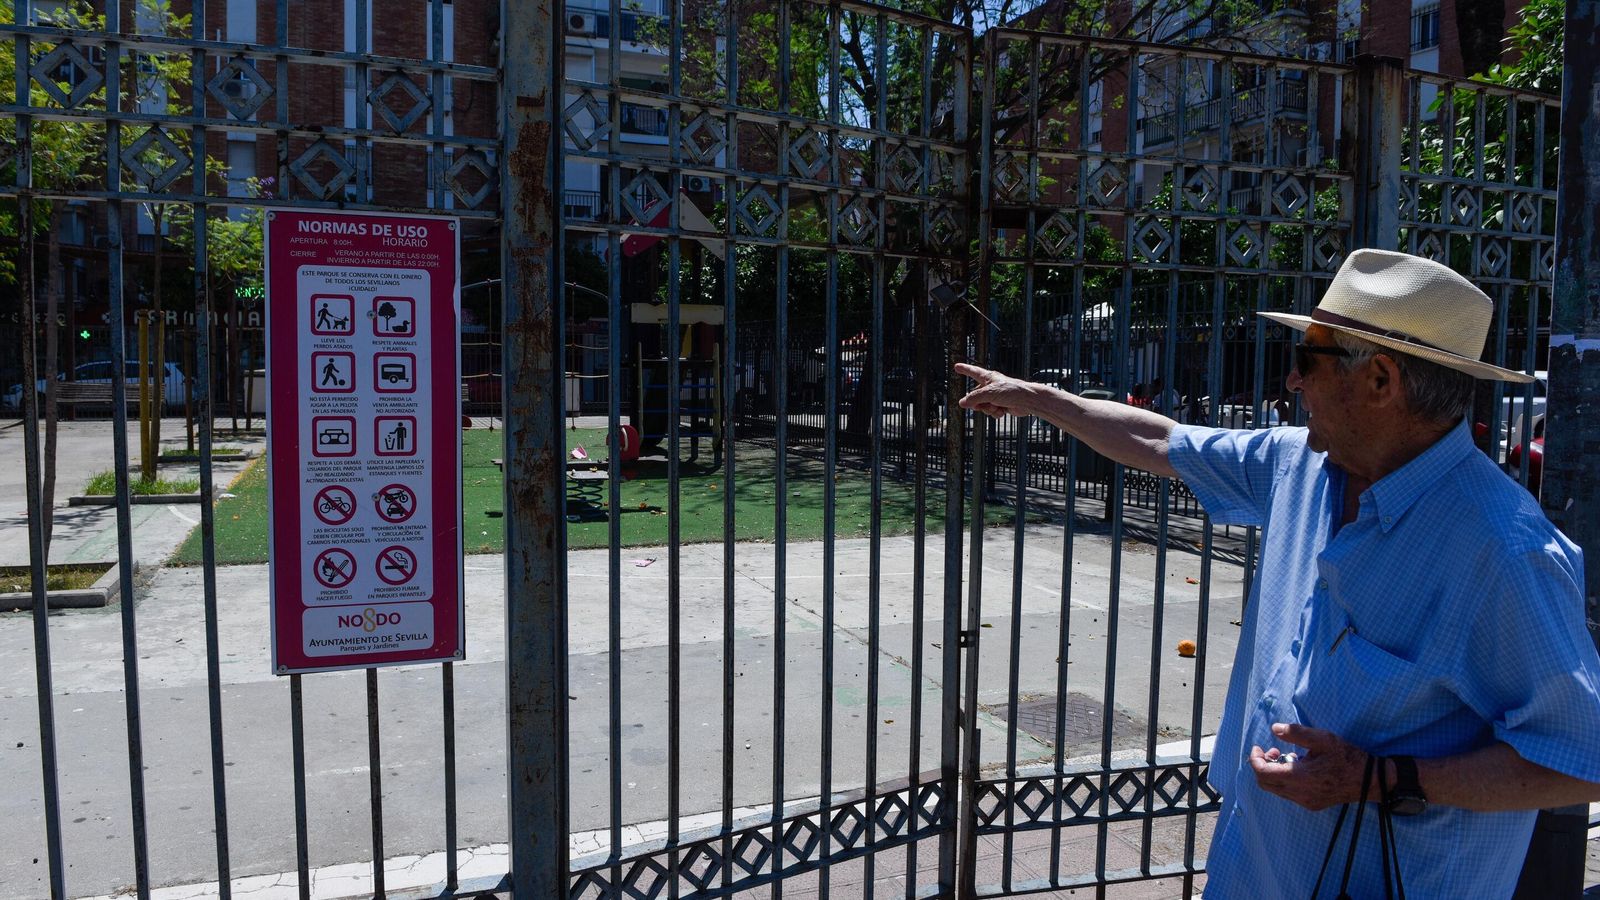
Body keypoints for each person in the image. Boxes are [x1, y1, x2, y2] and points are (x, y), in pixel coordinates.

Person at [955, 249, 1600, 898]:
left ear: (1380, 380)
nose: (1293, 384)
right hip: (1253, 867)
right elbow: (1161, 441)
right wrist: (1040, 400)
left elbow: (1580, 762)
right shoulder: (1300, 465)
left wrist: (1376, 779)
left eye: (1307, 361)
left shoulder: (1504, 553)